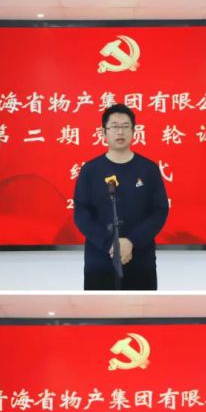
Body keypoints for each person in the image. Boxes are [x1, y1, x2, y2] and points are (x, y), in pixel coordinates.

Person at [74, 104, 169, 290]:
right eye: (115, 127)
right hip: (100, 262)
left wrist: (132, 241)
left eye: (125, 126)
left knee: (141, 309)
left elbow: (159, 212)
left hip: (141, 261)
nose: (120, 132)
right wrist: (110, 244)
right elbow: (82, 214)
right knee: (99, 309)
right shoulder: (90, 170)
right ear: (104, 132)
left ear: (133, 131)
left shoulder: (148, 169)